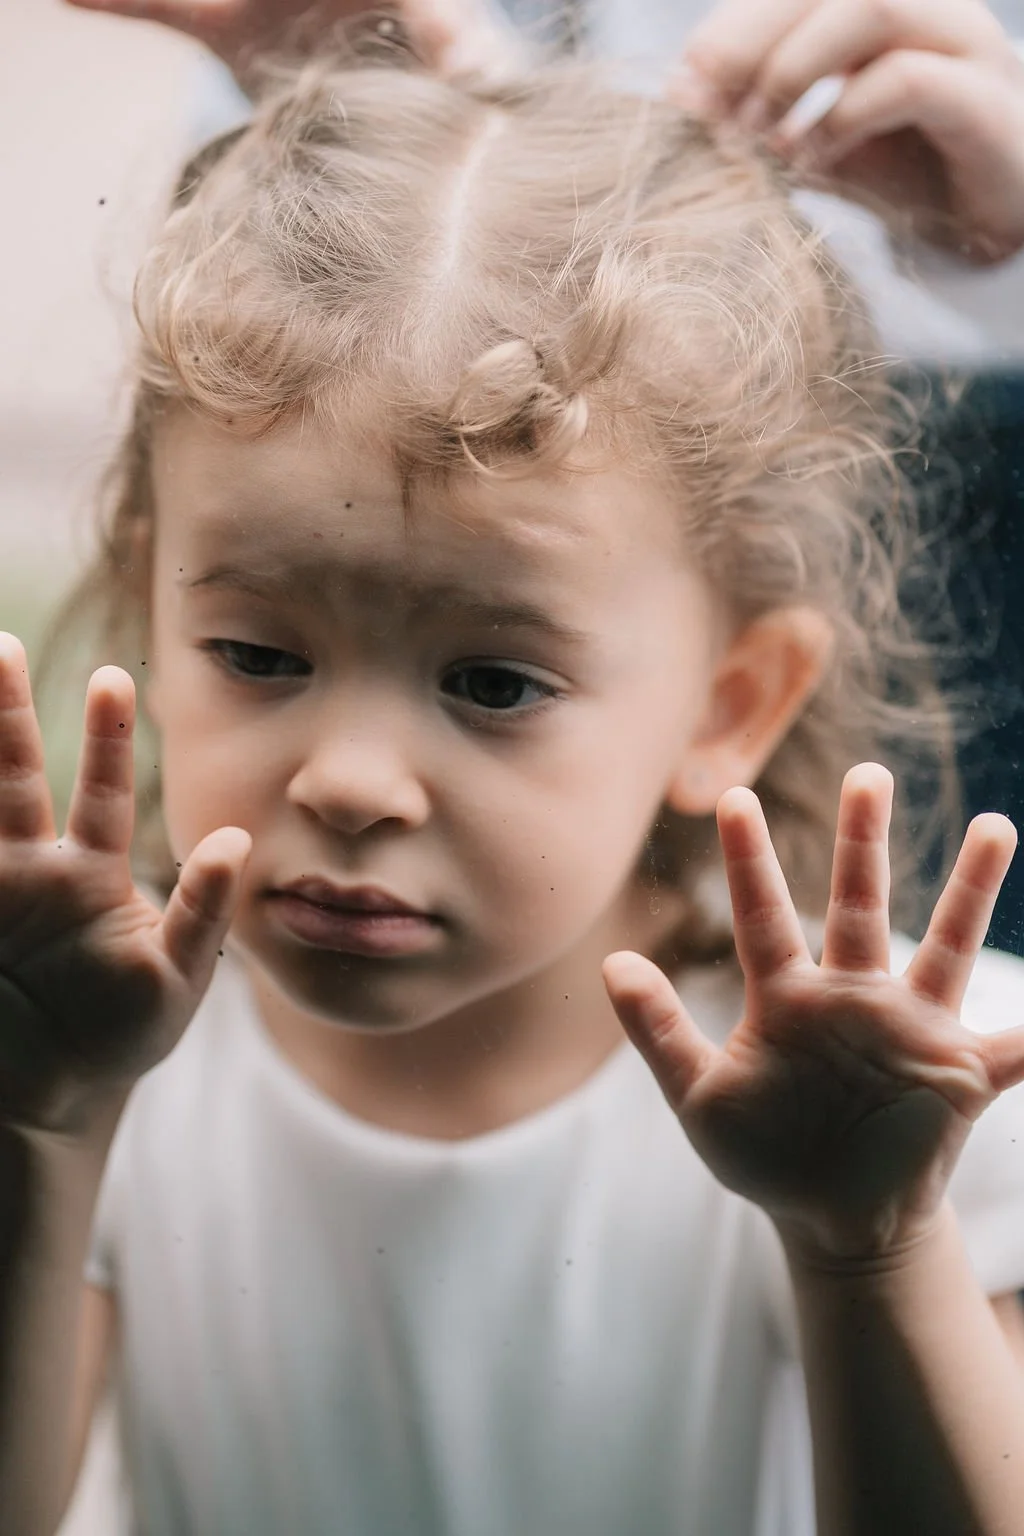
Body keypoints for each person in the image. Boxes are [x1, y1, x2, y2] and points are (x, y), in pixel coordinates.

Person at [6, 12, 1024, 1536]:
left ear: (730, 704)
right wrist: (41, 1124)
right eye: (259, 654)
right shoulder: (110, 1048)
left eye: (492, 682)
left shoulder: (914, 1087)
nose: (350, 781)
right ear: (152, 591)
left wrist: (867, 1243)